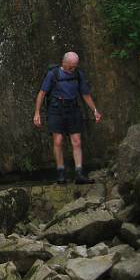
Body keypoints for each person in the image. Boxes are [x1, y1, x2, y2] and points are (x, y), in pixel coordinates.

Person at [33, 52, 102, 184]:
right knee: (58, 141)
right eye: (70, 67)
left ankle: (79, 174)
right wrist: (37, 113)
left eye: (74, 67)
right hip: (56, 109)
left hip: (73, 108)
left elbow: (85, 94)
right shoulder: (53, 74)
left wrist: (95, 110)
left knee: (77, 141)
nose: (72, 69)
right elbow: (42, 93)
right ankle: (60, 173)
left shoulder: (78, 75)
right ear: (63, 63)